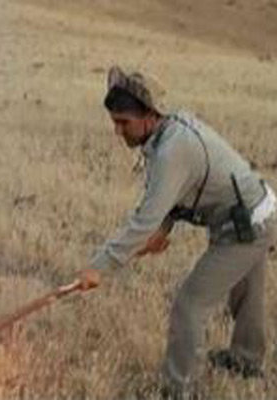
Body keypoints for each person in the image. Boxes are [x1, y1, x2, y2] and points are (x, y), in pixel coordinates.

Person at [75, 66, 277, 395]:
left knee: (190, 304)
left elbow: (144, 219)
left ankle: (178, 387)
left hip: (246, 225)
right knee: (246, 292)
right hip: (257, 211)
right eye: (114, 122)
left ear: (149, 116)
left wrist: (100, 266)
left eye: (123, 122)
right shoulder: (169, 133)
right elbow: (172, 197)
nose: (117, 131)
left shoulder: (171, 151)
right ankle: (247, 360)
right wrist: (163, 228)